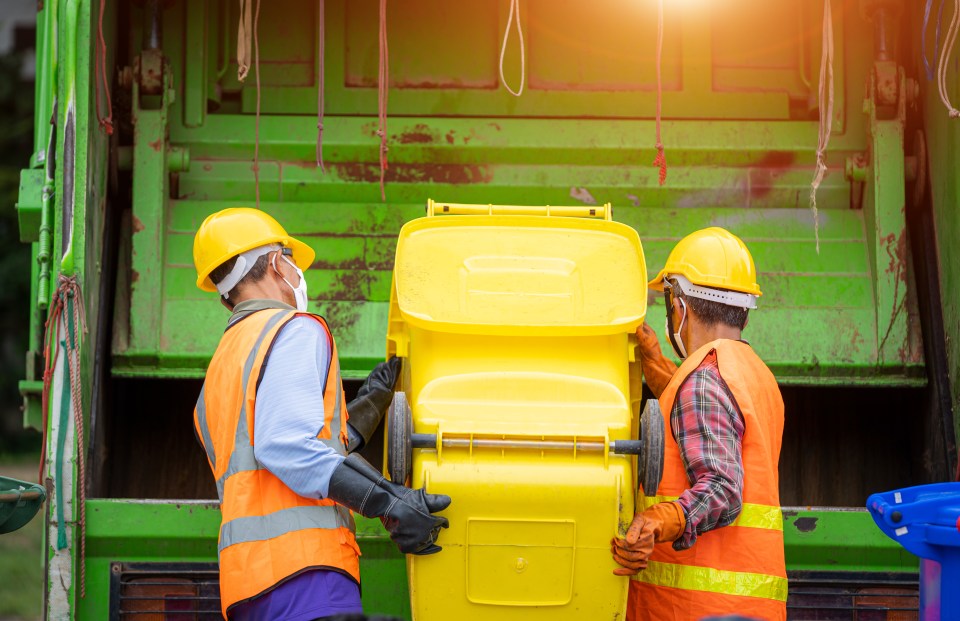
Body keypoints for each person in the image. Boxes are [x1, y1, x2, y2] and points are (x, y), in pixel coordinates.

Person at [191, 207, 451, 620]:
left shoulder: (223, 363)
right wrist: (386, 502)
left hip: (248, 583)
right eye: (291, 259)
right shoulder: (292, 328)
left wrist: (361, 415)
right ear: (278, 262)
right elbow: (286, 445)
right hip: (305, 571)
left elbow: (271, 446)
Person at [611, 227, 786, 621]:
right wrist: (654, 364)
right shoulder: (752, 374)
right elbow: (703, 418)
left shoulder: (705, 379)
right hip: (745, 608)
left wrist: (659, 520)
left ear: (681, 307)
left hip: (699, 610)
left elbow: (723, 488)